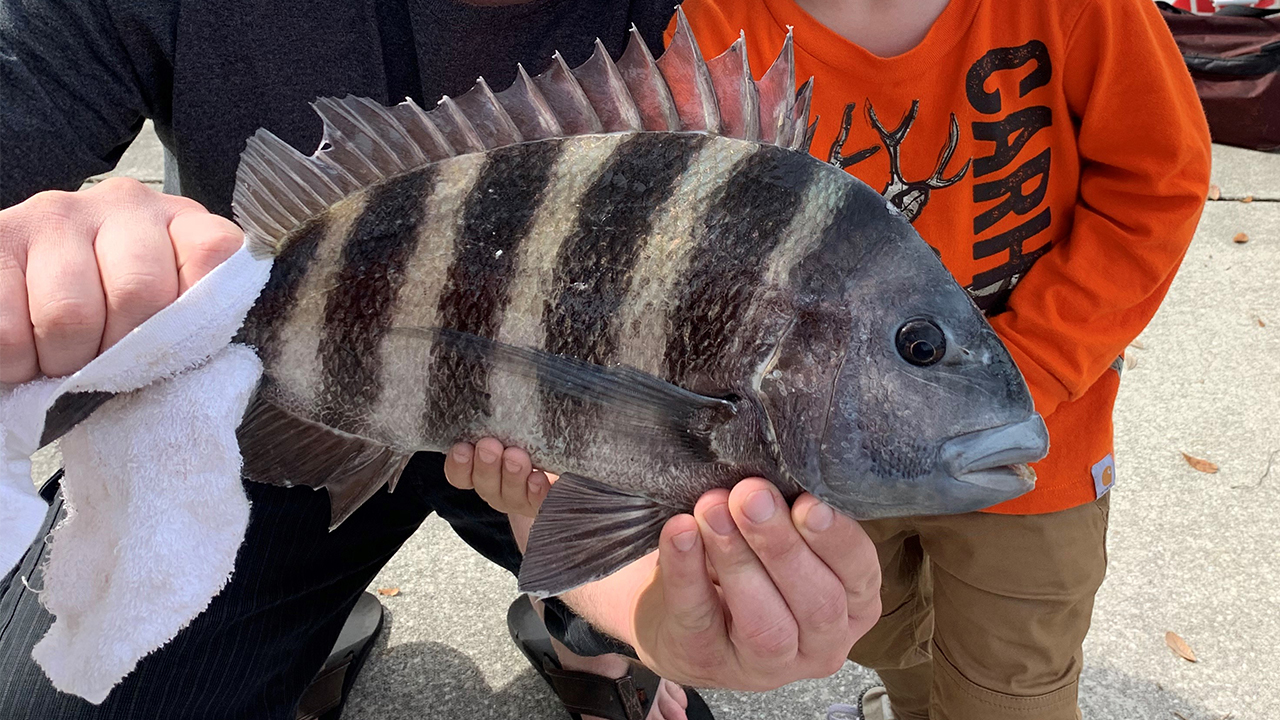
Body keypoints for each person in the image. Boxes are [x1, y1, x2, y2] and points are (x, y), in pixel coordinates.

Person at [0, 1, 883, 719]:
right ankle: (314, 626)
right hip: (280, 404)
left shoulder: (758, 17)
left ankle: (573, 621)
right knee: (75, 692)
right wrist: (51, 265)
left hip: (589, 461)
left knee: (680, 616)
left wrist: (649, 594)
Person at [625, 0, 1204, 718]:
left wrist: (1036, 366)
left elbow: (1158, 178)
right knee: (886, 632)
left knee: (1011, 685)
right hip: (818, 452)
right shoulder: (711, 21)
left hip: (1026, 457)